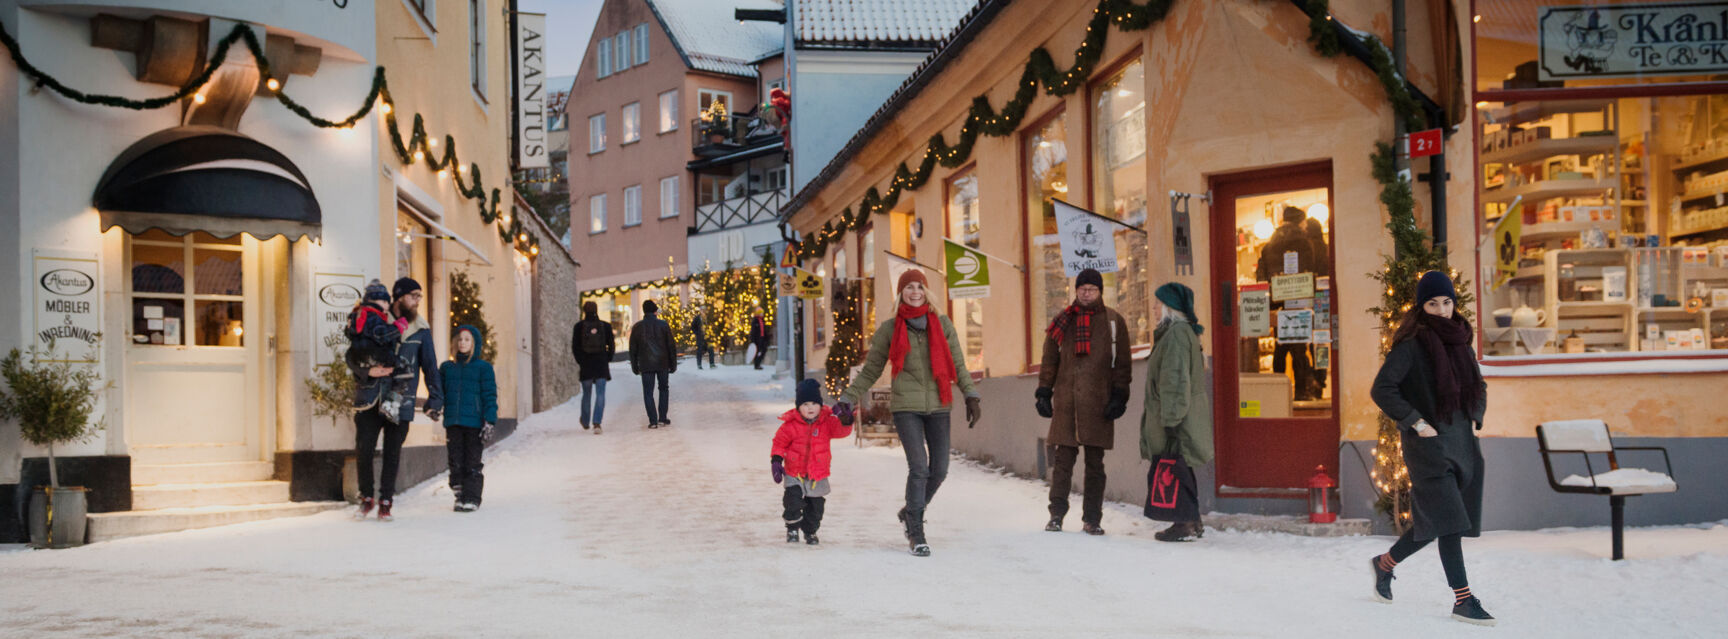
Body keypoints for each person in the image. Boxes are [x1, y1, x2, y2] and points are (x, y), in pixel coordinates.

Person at [1368, 271, 1495, 627]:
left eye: (1446, 302)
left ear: (1454, 304)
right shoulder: (1411, 346)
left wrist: (1476, 416)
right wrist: (1416, 422)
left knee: (1440, 521)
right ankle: (1463, 600)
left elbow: (1479, 385)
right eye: (1433, 303)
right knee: (1450, 522)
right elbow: (1383, 389)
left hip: (1461, 442)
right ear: (1422, 307)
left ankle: (1384, 564)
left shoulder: (1461, 342)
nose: (1441, 310)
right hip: (1427, 448)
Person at [835, 269, 981, 557]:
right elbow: (872, 369)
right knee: (919, 468)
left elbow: (958, 363)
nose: (915, 292)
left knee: (939, 469)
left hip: (939, 403)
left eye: (919, 287)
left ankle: (909, 512)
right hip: (906, 407)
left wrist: (971, 394)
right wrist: (847, 397)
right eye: (908, 288)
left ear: (926, 291)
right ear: (900, 293)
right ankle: (916, 531)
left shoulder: (942, 323)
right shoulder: (889, 329)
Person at [1035, 268, 1132, 535]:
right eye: (1082, 289)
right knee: (1062, 463)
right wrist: (1044, 391)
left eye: (1092, 289)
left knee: (1095, 465)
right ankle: (1056, 515)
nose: (1086, 293)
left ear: (1100, 291)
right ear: (1075, 290)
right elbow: (1049, 361)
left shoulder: (1113, 322)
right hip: (1067, 403)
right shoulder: (1062, 322)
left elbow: (1122, 364)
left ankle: (1092, 518)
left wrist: (1120, 395)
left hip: (1098, 403)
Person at [350, 277, 443, 522]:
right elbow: (353, 355)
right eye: (414, 295)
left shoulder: (421, 328)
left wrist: (435, 397)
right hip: (372, 395)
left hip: (401, 398)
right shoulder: (376, 321)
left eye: (420, 296)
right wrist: (366, 371)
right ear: (399, 296)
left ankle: (386, 501)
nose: (417, 300)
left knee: (393, 452)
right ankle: (366, 497)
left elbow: (430, 365)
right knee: (364, 447)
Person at [1140, 282, 1214, 542]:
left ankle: (1183, 524)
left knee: (1175, 466)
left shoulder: (1176, 334)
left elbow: (1175, 379)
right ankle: (1191, 520)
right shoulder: (1178, 333)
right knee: (1181, 466)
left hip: (1176, 416)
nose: (1153, 308)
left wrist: (1170, 420)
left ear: (1169, 307)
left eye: (1157, 303)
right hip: (1180, 413)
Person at [770, 379, 853, 546]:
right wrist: (776, 460)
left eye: (814, 403)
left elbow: (841, 432)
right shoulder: (790, 425)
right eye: (805, 404)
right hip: (795, 472)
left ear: (821, 405)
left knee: (816, 508)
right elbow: (779, 443)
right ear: (798, 406)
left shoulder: (827, 422)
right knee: (792, 500)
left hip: (818, 473)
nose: (810, 408)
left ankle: (810, 531)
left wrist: (846, 420)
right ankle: (792, 528)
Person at [1257, 206, 1319, 400]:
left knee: (1280, 347)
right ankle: (1301, 392)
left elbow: (1261, 273)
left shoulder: (1270, 244)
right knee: (1299, 349)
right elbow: (1311, 271)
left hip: (1278, 303)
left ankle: (1277, 394)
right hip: (1298, 300)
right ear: (1299, 221)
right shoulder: (1303, 241)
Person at [440, 325, 497, 512]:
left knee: (472, 461)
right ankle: (459, 494)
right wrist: (432, 407)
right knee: (455, 460)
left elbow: (489, 395)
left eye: (467, 339)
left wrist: (490, 420)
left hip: (473, 422)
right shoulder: (447, 368)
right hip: (453, 421)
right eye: (459, 339)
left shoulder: (483, 368)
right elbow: (439, 392)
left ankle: (472, 497)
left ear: (474, 344)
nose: (462, 343)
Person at [629, 299, 677, 428]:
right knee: (663, 389)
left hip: (646, 364)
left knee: (648, 392)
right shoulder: (663, 325)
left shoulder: (638, 327)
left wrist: (635, 366)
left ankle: (653, 421)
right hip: (662, 362)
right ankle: (662, 417)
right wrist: (673, 364)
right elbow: (671, 346)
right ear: (655, 311)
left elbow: (633, 348)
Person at [573, 301, 615, 434]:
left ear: (584, 310)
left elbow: (575, 347)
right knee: (600, 394)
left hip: (586, 365)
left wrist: (580, 360)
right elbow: (611, 345)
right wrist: (607, 358)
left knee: (586, 393)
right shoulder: (605, 326)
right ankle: (597, 423)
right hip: (601, 364)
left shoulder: (579, 327)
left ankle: (585, 421)